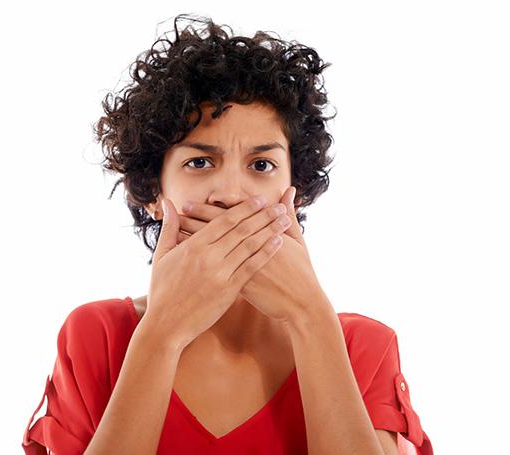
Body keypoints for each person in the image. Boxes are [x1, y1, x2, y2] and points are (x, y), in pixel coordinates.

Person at [22, 13, 434, 455]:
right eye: (199, 163)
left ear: (295, 194)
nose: (233, 194)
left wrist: (311, 316)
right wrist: (162, 331)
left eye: (262, 165)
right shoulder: (97, 336)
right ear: (154, 193)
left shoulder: (361, 346)